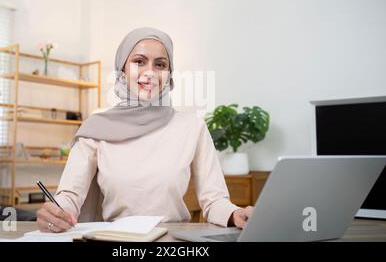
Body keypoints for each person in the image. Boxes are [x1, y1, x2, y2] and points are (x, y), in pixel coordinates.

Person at [36, 27, 253, 233]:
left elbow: (214, 200)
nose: (150, 73)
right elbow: (70, 196)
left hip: (171, 244)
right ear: (122, 69)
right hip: (115, 243)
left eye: (160, 65)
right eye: (139, 62)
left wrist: (235, 214)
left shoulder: (192, 127)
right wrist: (56, 213)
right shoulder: (97, 128)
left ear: (169, 74)